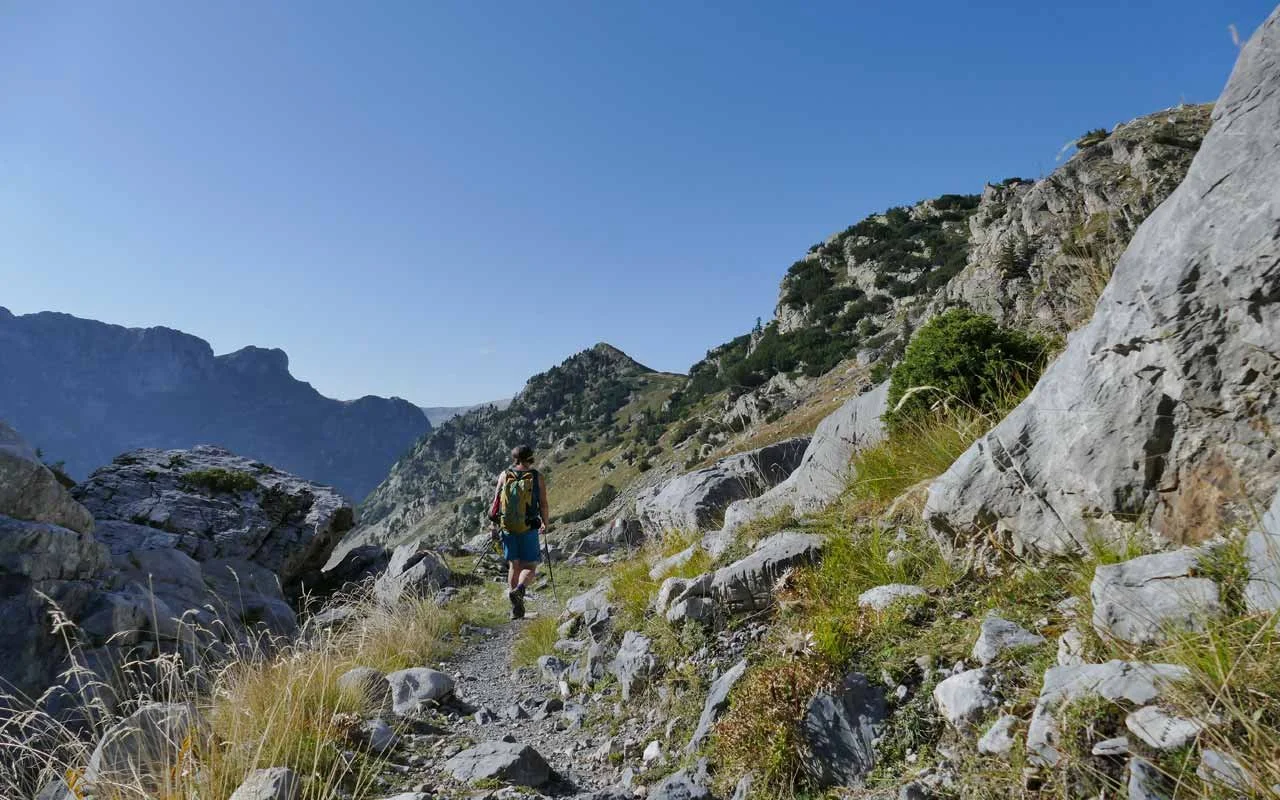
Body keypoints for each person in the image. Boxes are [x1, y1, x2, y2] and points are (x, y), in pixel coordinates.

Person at [488, 445, 550, 620]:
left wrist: (493, 525)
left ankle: (516, 609)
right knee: (530, 566)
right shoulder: (537, 477)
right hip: (529, 527)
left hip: (507, 528)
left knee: (514, 566)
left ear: (514, 458)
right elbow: (543, 504)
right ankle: (520, 589)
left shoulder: (504, 475)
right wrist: (545, 523)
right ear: (530, 458)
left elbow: (496, 502)